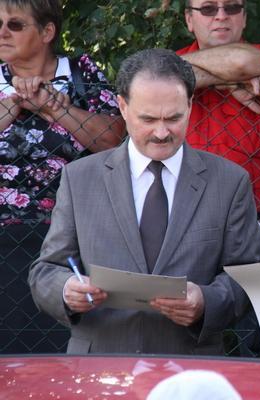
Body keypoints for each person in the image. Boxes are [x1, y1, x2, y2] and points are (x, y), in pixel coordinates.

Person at [28, 48, 260, 355]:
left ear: (190, 105)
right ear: (123, 107)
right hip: (100, 363)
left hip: (191, 366)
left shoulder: (229, 182)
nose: (161, 132)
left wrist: (207, 301)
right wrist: (66, 290)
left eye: (174, 118)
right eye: (148, 119)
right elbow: (46, 270)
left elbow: (247, 276)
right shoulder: (80, 178)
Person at [0, 0, 125, 353]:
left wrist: (56, 107)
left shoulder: (80, 71)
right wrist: (12, 106)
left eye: (14, 25)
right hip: (3, 235)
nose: (2, 33)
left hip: (72, 233)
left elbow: (113, 140)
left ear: (47, 32)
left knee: (62, 348)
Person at [176, 0, 260, 217]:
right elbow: (156, 75)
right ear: (189, 19)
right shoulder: (169, 63)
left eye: (232, 7)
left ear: (244, 18)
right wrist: (228, 80)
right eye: (208, 9)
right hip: (192, 215)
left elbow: (241, 62)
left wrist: (189, 75)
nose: (221, 16)